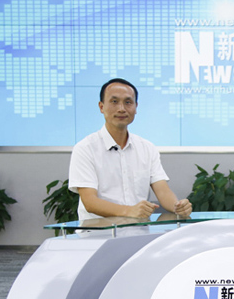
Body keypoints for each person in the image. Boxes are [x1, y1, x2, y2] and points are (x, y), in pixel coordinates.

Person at [69, 78, 192, 221]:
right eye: (114, 101)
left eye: (128, 102)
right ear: (101, 107)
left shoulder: (147, 148)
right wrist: (129, 211)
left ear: (135, 107)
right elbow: (90, 202)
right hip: (97, 232)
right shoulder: (85, 148)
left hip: (138, 231)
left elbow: (163, 192)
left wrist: (178, 206)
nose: (121, 108)